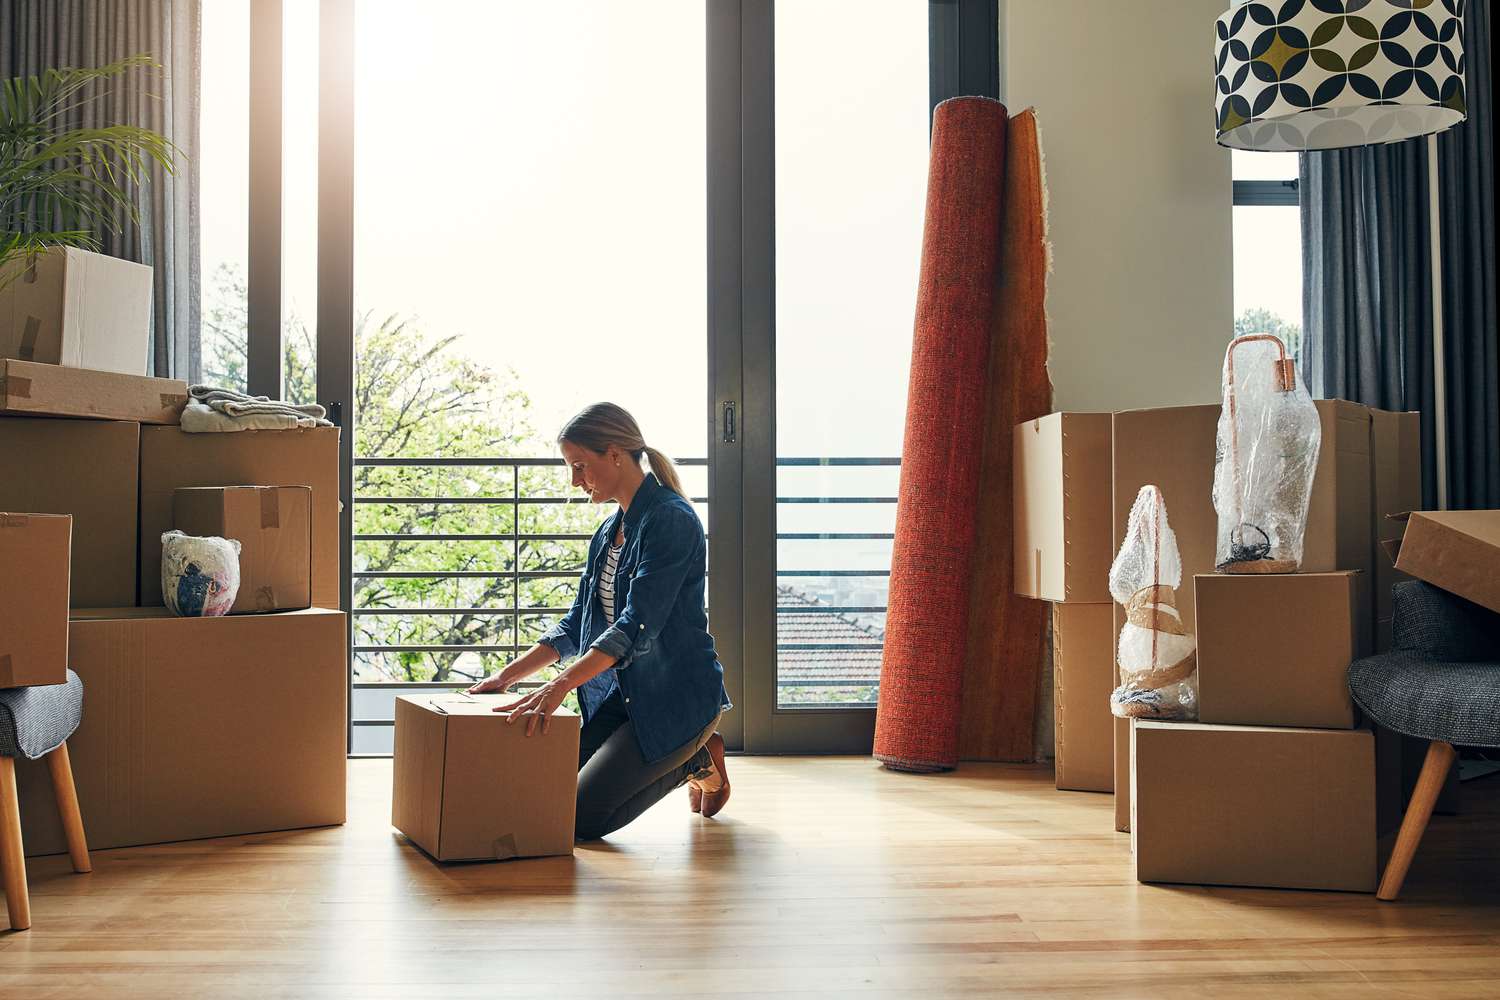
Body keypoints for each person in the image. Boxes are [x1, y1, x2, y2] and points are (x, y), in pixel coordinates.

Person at [468, 402, 733, 839]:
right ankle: (690, 756)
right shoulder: (609, 531)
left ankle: (695, 756)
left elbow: (634, 628)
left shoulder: (670, 520)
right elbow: (577, 624)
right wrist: (506, 676)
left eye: (579, 466)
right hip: (625, 697)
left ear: (614, 454)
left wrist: (558, 686)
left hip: (676, 702)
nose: (574, 481)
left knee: (578, 820)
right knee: (543, 794)